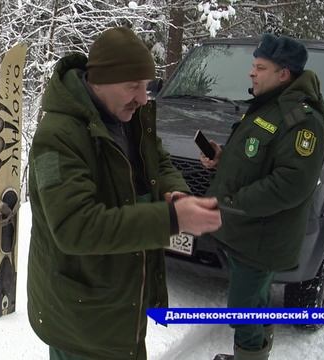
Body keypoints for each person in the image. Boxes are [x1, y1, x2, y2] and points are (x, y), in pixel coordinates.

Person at [26, 26, 222, 360]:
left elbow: (157, 160)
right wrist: (170, 219)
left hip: (121, 306)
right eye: (133, 85)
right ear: (99, 80)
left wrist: (174, 192)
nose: (143, 98)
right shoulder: (56, 138)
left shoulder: (129, 116)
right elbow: (75, 228)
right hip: (81, 319)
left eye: (146, 86)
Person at [200, 34, 324, 360]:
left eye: (260, 67)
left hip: (261, 237)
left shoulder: (303, 122)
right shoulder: (270, 105)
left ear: (283, 73)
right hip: (247, 232)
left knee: (243, 309)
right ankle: (257, 350)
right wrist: (222, 156)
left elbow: (289, 184)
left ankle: (250, 354)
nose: (251, 73)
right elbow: (257, 155)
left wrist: (230, 204)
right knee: (254, 300)